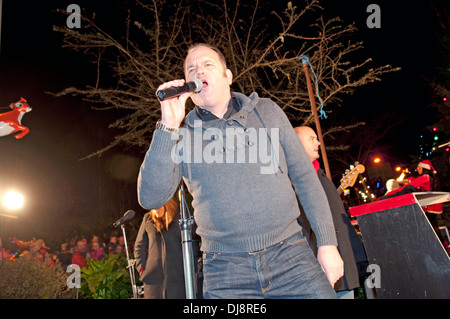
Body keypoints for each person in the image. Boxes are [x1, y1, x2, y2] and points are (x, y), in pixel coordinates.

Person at [137, 43, 343, 299]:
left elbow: (305, 179)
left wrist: (327, 243)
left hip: (291, 257)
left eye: (207, 64)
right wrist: (167, 125)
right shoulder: (181, 136)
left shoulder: (267, 111)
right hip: (225, 271)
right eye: (191, 69)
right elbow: (150, 197)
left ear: (228, 76)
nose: (198, 71)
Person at [294, 126, 368, 299]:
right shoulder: (292, 178)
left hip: (340, 265)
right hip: (316, 267)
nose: (318, 142)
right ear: (294, 144)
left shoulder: (319, 174)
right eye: (311, 139)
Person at [134, 198, 186, 299]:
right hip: (153, 281)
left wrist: (193, 269)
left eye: (158, 206)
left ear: (167, 203)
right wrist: (142, 269)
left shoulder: (180, 219)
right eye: (152, 207)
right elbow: (139, 246)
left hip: (178, 280)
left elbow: (194, 244)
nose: (155, 209)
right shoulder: (148, 219)